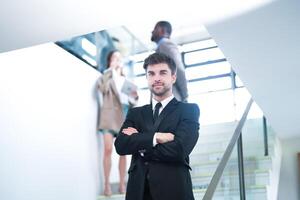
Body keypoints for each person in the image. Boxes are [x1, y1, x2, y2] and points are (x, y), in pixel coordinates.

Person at [115, 52, 200, 200]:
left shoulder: (188, 110)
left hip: (174, 191)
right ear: (147, 78)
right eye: (151, 74)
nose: (157, 78)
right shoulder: (135, 113)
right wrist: (156, 137)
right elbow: (121, 145)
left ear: (173, 77)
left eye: (163, 73)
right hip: (138, 192)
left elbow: (179, 149)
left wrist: (140, 144)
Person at [97, 50, 138, 196]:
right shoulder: (106, 76)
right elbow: (101, 88)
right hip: (108, 115)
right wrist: (110, 72)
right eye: (114, 58)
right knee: (107, 149)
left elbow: (134, 99)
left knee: (123, 152)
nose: (117, 61)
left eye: (119, 58)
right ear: (109, 61)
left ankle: (122, 185)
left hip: (124, 115)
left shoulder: (127, 81)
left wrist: (133, 95)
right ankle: (106, 185)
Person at [151, 20, 188, 102]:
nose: (152, 31)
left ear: (162, 31)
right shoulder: (161, 47)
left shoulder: (165, 44)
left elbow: (178, 68)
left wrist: (185, 96)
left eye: (155, 29)